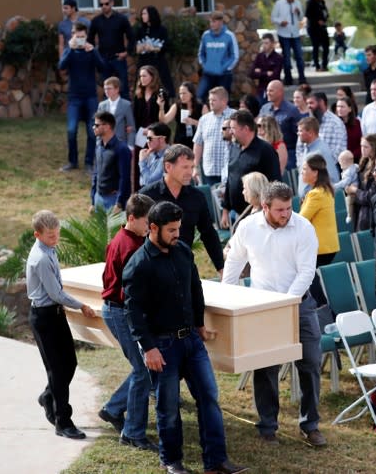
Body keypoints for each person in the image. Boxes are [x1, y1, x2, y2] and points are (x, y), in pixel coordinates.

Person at [122, 202, 247, 474]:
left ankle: (216, 461)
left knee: (209, 397)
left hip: (191, 340)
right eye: (171, 230)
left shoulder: (182, 251)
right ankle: (171, 461)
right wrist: (149, 348)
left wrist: (200, 325)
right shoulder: (138, 265)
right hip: (162, 345)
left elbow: (195, 289)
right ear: (152, 228)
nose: (177, 234)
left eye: (178, 228)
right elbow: (134, 311)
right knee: (167, 406)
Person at [222, 182, 326, 447]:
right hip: (263, 307)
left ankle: (310, 425)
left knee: (311, 363)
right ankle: (267, 426)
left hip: (299, 304)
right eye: (279, 210)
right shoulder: (247, 227)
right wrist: (228, 297)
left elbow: (306, 272)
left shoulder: (303, 227)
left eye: (288, 208)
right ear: (264, 206)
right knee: (266, 367)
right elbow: (234, 263)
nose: (286, 214)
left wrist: (286, 304)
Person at [26, 210, 96, 439]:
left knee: (70, 363)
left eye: (57, 234)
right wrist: (81, 306)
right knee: (57, 369)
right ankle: (62, 421)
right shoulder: (42, 258)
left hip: (56, 315)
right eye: (50, 236)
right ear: (37, 234)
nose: (55, 239)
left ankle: (48, 396)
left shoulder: (49, 250)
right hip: (44, 317)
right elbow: (55, 293)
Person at [99, 193, 157, 451]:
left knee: (142, 370)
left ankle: (113, 410)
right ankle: (132, 431)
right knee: (143, 371)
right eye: (147, 223)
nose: (150, 228)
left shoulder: (122, 239)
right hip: (120, 312)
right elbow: (131, 291)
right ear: (131, 219)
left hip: (116, 309)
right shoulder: (131, 246)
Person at [140, 144, 225, 274]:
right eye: (185, 167)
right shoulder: (148, 195)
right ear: (168, 167)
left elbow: (208, 233)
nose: (190, 172)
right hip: (152, 268)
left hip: (184, 267)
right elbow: (136, 233)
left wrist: (221, 268)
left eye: (192, 167)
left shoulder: (197, 197)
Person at [221, 110, 282, 228]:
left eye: (233, 128)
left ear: (245, 129)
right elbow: (231, 179)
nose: (230, 132)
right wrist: (225, 209)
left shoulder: (265, 151)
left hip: (257, 215)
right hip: (235, 214)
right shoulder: (234, 148)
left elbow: (275, 183)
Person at [59, 22, 104, 173]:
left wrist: (94, 52)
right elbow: (61, 66)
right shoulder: (69, 51)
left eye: (82, 37)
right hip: (74, 98)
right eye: (77, 37)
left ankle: (89, 163)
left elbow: (103, 67)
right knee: (71, 130)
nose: (80, 39)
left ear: (86, 37)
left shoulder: (91, 51)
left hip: (90, 96)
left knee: (92, 131)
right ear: (73, 36)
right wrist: (70, 50)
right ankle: (72, 162)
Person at [299, 154, 340, 307]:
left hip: (321, 248)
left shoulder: (315, 194)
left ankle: (321, 307)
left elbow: (301, 220)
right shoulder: (325, 190)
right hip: (329, 246)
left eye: (304, 169)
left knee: (305, 273)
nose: (301, 172)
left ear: (315, 172)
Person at [88, 0, 135, 100]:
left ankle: (126, 115)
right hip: (103, 59)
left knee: (123, 89)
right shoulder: (96, 21)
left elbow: (131, 37)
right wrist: (95, 56)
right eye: (101, 4)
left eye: (106, 3)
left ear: (112, 3)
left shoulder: (121, 19)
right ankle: (107, 115)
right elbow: (90, 40)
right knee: (107, 89)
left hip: (118, 58)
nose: (104, 6)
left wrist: (126, 52)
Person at [90, 111, 132, 213]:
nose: (93, 127)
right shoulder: (98, 146)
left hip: (113, 200)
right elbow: (96, 173)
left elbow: (124, 178)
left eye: (96, 125)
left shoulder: (122, 149)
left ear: (107, 126)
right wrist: (93, 201)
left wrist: (119, 203)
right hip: (98, 197)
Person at [193, 87, 235, 185]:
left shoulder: (235, 116)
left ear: (224, 101)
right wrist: (195, 166)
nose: (210, 102)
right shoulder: (204, 119)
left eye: (214, 100)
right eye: (210, 100)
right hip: (209, 171)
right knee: (211, 199)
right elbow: (198, 144)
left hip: (230, 170)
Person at [135, 5, 175, 98]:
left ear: (151, 15)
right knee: (143, 87)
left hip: (158, 63)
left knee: (161, 88)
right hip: (144, 62)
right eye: (142, 14)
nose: (142, 16)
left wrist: (153, 48)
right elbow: (135, 47)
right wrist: (141, 47)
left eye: (145, 14)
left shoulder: (161, 30)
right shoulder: (140, 30)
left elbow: (166, 46)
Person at [197, 11, 239, 99]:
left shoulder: (229, 35)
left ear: (220, 22)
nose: (211, 24)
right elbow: (201, 53)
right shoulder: (206, 35)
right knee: (200, 96)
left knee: (222, 100)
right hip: (208, 74)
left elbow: (235, 56)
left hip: (224, 75)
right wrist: (205, 66)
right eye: (210, 22)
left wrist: (225, 68)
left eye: (214, 21)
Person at [259, 80, 300, 169]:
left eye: (271, 91)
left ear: (280, 92)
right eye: (267, 90)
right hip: (267, 151)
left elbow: (298, 134)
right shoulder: (264, 109)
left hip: (288, 153)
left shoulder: (292, 110)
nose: (267, 93)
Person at [347, 134, 376, 231]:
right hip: (361, 212)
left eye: (366, 147)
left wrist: (355, 190)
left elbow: (371, 197)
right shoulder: (364, 162)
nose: (362, 149)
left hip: (371, 215)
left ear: (374, 147)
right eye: (361, 146)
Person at [271, 0, 307, 86]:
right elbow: (273, 18)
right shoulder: (279, 3)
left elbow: (301, 17)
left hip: (295, 33)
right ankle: (288, 79)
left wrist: (298, 12)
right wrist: (280, 22)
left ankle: (302, 78)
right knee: (286, 57)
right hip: (284, 33)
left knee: (299, 56)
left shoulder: (297, 3)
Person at [296, 116, 339, 196]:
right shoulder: (308, 148)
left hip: (317, 201)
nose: (298, 133)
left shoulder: (321, 151)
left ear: (310, 133)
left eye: (301, 131)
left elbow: (333, 179)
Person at [298, 92, 347, 161]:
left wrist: (319, 165)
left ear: (321, 103)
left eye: (311, 103)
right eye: (307, 104)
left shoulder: (335, 123)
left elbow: (338, 152)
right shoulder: (306, 122)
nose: (308, 106)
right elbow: (299, 148)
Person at [158, 82, 206, 148]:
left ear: (191, 94)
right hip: (179, 142)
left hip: (196, 143)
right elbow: (164, 121)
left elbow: (207, 125)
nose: (182, 96)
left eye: (184, 93)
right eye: (180, 93)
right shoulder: (177, 106)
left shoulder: (201, 107)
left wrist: (194, 122)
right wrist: (161, 107)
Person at [98, 76, 135, 147]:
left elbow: (131, 127)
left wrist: (130, 146)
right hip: (105, 143)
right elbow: (98, 126)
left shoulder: (126, 105)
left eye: (109, 88)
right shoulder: (102, 105)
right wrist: (98, 144)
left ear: (117, 89)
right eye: (105, 89)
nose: (106, 91)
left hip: (121, 143)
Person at [249, 33, 283, 103]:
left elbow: (275, 76)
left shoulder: (278, 58)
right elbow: (252, 74)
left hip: (274, 91)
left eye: (266, 43)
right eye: (263, 43)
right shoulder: (259, 56)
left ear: (272, 44)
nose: (264, 45)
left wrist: (260, 72)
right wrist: (266, 73)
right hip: (261, 89)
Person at [138, 122, 171, 188]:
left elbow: (149, 183)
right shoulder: (151, 154)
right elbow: (141, 181)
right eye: (146, 138)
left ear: (161, 139)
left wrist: (142, 162)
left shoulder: (168, 157)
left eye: (150, 138)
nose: (147, 141)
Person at [305, 0, 329, 71]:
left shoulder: (322, 2)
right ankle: (317, 65)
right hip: (313, 28)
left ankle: (324, 65)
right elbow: (307, 14)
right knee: (316, 46)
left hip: (322, 27)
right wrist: (317, 20)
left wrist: (324, 19)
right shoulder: (310, 2)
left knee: (326, 46)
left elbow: (325, 12)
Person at [334, 96, 362, 162]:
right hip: (338, 160)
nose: (339, 109)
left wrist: (351, 155)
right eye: (338, 106)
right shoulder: (334, 124)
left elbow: (361, 143)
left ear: (350, 109)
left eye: (342, 107)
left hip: (355, 159)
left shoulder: (357, 123)